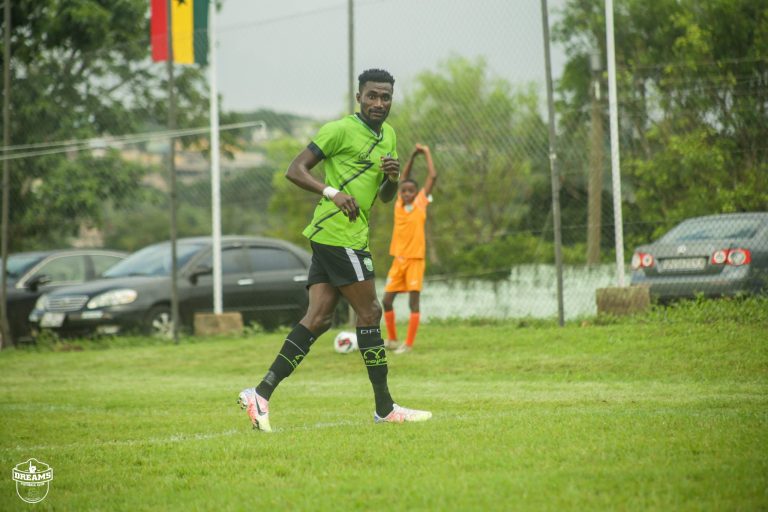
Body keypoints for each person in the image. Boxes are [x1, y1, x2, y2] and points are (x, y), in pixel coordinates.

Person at [237, 69, 432, 432]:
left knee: (319, 319)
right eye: (372, 96)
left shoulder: (388, 135)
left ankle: (260, 393)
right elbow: (295, 170)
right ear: (359, 97)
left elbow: (385, 197)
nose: (379, 103)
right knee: (371, 312)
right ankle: (385, 408)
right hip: (337, 234)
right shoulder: (339, 130)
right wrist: (332, 192)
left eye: (385, 97)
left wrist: (391, 179)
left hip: (349, 235)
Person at [382, 144, 437, 354]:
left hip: (415, 260)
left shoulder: (420, 203)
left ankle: (409, 344)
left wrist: (427, 152)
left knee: (414, 303)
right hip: (398, 260)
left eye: (410, 191)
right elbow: (402, 177)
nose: (406, 193)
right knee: (386, 301)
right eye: (403, 191)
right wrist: (412, 156)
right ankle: (393, 339)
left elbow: (432, 177)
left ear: (416, 193)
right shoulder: (398, 204)